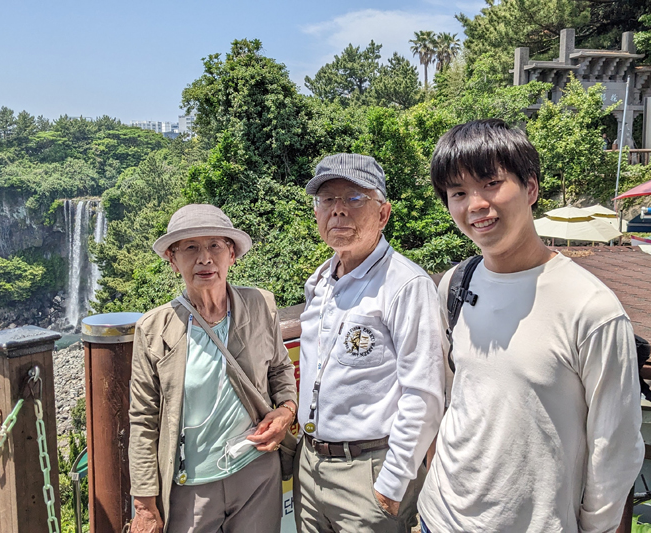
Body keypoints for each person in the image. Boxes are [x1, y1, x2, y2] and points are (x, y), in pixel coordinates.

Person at [418, 119, 644, 532]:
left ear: (532, 188)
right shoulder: (455, 284)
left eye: (491, 183)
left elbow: (614, 448)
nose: (476, 204)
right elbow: (448, 393)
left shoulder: (591, 308)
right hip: (440, 517)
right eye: (458, 193)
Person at [294, 153, 445, 533]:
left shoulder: (406, 285)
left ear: (383, 214)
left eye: (354, 198)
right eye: (327, 200)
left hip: (370, 472)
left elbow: (423, 393)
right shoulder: (320, 282)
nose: (338, 211)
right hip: (309, 466)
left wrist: (393, 483)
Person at [128, 204, 298, 533]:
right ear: (172, 259)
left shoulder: (261, 305)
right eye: (190, 247)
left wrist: (287, 411)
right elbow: (143, 419)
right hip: (189, 486)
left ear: (231, 254)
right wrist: (144, 506)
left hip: (257, 474)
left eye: (215, 246)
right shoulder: (153, 329)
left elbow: (279, 371)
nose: (204, 258)